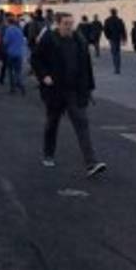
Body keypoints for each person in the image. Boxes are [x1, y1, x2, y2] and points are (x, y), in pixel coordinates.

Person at [31, 12, 106, 177]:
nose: (69, 27)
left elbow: (86, 66)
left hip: (75, 91)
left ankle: (91, 163)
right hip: (55, 90)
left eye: (71, 23)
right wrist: (44, 76)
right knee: (52, 123)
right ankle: (48, 154)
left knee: (82, 124)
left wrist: (89, 88)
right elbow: (36, 59)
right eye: (65, 23)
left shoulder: (79, 40)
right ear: (58, 24)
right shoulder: (49, 39)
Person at [2, 14, 26, 95]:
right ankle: (20, 84)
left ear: (8, 22)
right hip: (19, 53)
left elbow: (5, 42)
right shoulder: (19, 30)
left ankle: (13, 88)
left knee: (10, 72)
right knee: (18, 71)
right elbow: (23, 41)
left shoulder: (8, 30)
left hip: (11, 53)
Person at [103, 8, 127, 75]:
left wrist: (108, 37)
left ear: (111, 12)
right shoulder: (119, 20)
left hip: (112, 38)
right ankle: (118, 68)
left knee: (114, 53)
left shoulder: (107, 20)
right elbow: (123, 29)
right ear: (116, 12)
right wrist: (124, 38)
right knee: (118, 53)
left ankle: (116, 68)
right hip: (118, 38)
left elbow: (105, 29)